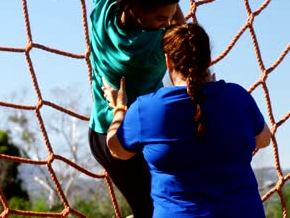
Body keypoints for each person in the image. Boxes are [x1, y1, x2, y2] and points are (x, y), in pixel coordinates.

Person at [103, 23, 271, 218]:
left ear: (168, 62)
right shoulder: (238, 97)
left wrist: (119, 109)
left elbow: (116, 149)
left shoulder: (146, 108)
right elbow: (263, 139)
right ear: (209, 59)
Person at [89, 0, 185, 216]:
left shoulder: (106, 7)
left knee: (147, 207)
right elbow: (187, 37)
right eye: (161, 18)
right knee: (160, 208)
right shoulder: (150, 51)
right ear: (139, 9)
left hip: (100, 134)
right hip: (134, 137)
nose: (166, 23)